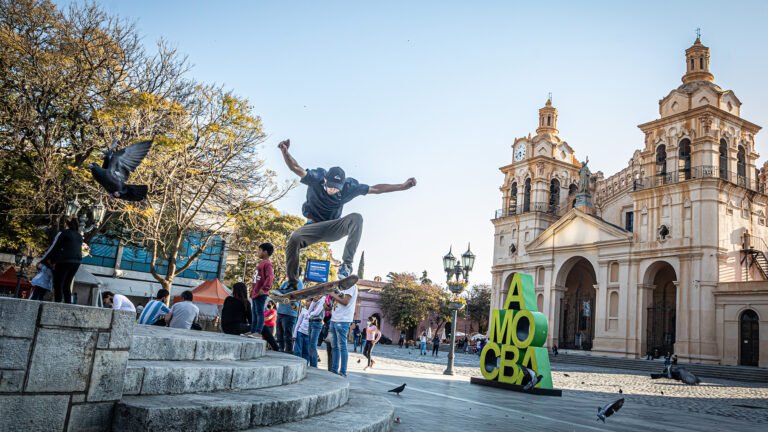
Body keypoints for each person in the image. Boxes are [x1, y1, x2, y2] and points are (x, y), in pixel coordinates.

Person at [273, 139, 416, 294]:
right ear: (325, 180)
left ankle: (346, 265)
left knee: (357, 218)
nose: (333, 191)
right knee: (294, 237)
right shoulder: (316, 177)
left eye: (337, 189)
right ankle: (292, 283)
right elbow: (296, 167)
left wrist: (401, 186)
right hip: (312, 227)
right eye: (330, 187)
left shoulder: (350, 187)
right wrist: (285, 152)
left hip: (333, 227)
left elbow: (376, 189)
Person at [41, 218, 82, 303]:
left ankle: (57, 303)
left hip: (64, 261)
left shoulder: (63, 233)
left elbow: (54, 247)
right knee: (67, 284)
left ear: (67, 224)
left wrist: (44, 259)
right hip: (76, 262)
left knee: (58, 283)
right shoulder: (79, 235)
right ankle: (68, 304)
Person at [330, 281, 358, 377]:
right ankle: (334, 369)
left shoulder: (351, 285)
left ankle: (342, 371)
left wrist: (332, 294)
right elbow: (339, 299)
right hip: (334, 318)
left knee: (342, 346)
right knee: (334, 346)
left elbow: (346, 301)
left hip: (342, 320)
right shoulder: (341, 286)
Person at [245, 243, 274, 337]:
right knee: (254, 312)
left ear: (265, 252)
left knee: (259, 312)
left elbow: (270, 277)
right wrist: (252, 291)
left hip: (261, 292)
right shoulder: (261, 263)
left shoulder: (267, 263)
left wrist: (264, 288)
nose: (258, 252)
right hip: (255, 292)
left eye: (259, 250)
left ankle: (258, 332)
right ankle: (253, 330)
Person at [276, 279, 304, 353]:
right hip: (280, 311)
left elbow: (296, 295)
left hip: (290, 313)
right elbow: (280, 291)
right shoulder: (286, 282)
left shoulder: (299, 283)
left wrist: (286, 294)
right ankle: (280, 349)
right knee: (279, 334)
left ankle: (288, 351)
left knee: (287, 335)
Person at [306, 295, 326, 367]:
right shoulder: (316, 300)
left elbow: (316, 312)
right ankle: (309, 364)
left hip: (317, 323)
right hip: (311, 322)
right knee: (309, 345)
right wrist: (314, 302)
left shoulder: (323, 299)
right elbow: (309, 310)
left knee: (313, 345)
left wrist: (309, 315)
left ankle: (314, 366)